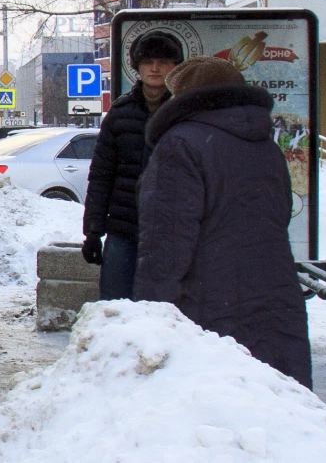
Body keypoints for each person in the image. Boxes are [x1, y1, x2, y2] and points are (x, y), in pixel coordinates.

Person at [133, 56, 312, 388]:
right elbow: (279, 214)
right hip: (274, 293)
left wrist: (150, 315)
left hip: (208, 302)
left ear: (184, 98)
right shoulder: (267, 146)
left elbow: (166, 241)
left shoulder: (180, 144)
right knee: (276, 409)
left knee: (216, 413)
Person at [81, 31, 184, 300]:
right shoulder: (120, 113)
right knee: (115, 309)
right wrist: (93, 231)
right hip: (123, 230)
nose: (155, 68)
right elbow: (101, 175)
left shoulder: (186, 113)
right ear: (137, 67)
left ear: (176, 66)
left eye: (163, 61)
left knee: (168, 314)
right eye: (148, 61)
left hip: (172, 232)